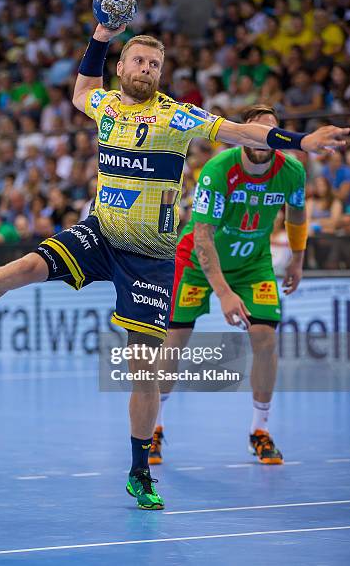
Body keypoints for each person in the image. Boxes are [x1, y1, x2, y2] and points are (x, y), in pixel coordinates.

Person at [0, 25, 349, 510]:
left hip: (151, 255)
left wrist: (300, 140)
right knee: (20, 269)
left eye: (154, 64)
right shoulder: (106, 106)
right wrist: (100, 35)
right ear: (120, 68)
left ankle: (140, 472)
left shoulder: (177, 115)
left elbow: (239, 130)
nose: (146, 69)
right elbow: (82, 89)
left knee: (143, 368)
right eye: (137, 61)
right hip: (100, 233)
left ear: (160, 74)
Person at [149, 105, 309, 467]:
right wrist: (222, 292)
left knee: (265, 339)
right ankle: (153, 427)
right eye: (254, 131)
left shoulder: (292, 172)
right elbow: (202, 237)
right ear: (242, 134)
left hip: (252, 263)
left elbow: (297, 214)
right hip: (196, 262)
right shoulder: (219, 170)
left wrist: (298, 258)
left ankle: (260, 431)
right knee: (174, 341)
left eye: (269, 132)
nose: (261, 140)